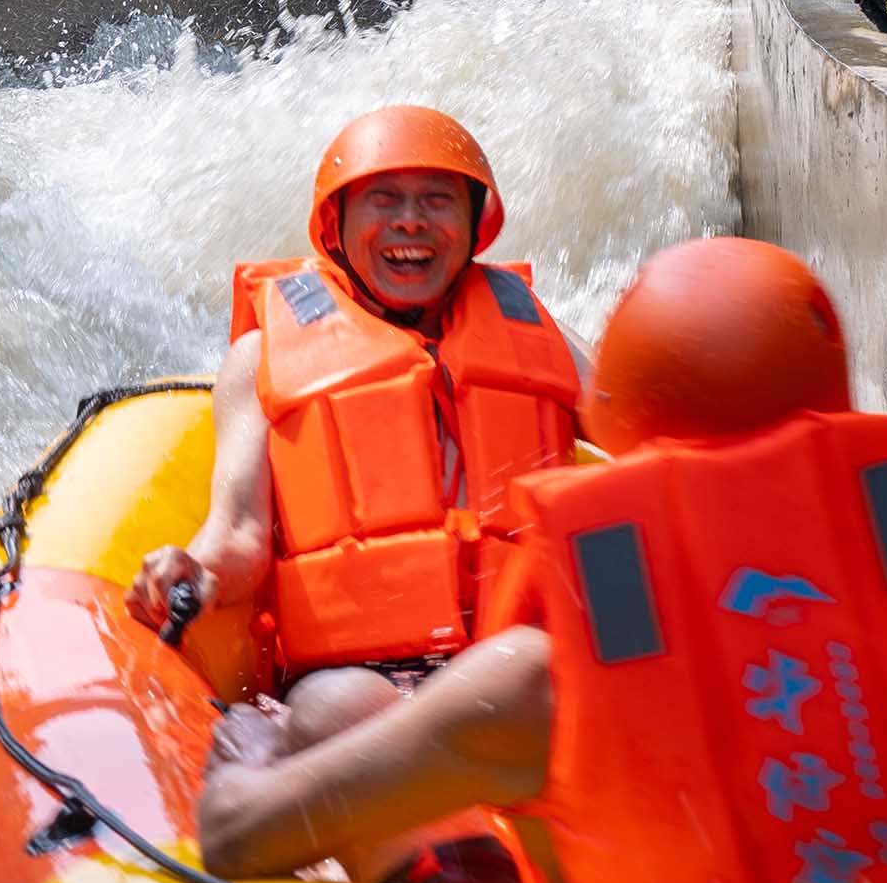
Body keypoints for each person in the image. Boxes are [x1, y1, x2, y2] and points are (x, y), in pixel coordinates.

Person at [193, 235, 887, 883]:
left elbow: (242, 840)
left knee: (322, 717)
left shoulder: (536, 689)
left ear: (621, 429)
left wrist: (244, 740)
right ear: (832, 412)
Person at [128, 107, 581, 812]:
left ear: (474, 223)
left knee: (546, 680)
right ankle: (423, 865)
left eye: (436, 200)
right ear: (336, 225)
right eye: (384, 200)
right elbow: (240, 535)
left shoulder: (542, 334)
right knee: (346, 706)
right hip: (362, 673)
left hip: (506, 666)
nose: (410, 223)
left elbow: (647, 439)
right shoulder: (261, 359)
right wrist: (196, 571)